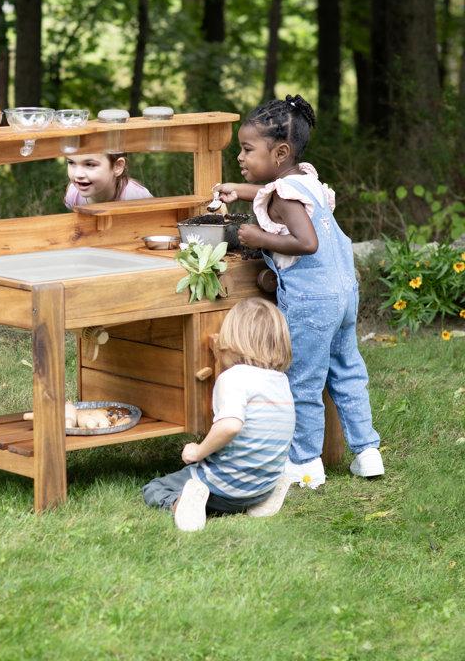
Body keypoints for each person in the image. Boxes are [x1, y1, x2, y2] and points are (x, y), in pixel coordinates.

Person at [214, 94, 383, 489]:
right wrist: (237, 190)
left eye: (247, 149)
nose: (240, 156)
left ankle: (306, 462)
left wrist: (258, 236)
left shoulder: (283, 196)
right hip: (344, 292)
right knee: (347, 371)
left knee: (303, 381)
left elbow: (306, 242)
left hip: (312, 303)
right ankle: (368, 452)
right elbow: (274, 189)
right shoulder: (304, 180)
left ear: (280, 152)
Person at [143, 298, 295, 531]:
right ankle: (264, 498)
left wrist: (198, 451)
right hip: (262, 483)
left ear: (232, 341)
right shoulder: (280, 381)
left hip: (226, 487)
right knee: (250, 481)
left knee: (155, 488)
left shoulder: (234, 378)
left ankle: (183, 504)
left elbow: (230, 426)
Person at [63, 152, 152, 209]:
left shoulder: (138, 198)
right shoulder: (73, 194)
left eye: (89, 164)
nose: (77, 174)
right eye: (71, 162)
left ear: (117, 166)